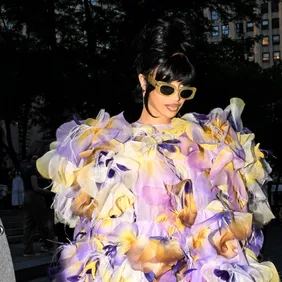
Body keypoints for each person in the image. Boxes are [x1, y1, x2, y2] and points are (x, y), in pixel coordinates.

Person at [36, 17, 279, 281]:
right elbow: (101, 230)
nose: (176, 99)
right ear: (143, 82)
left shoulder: (204, 142)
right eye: (166, 88)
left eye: (183, 91)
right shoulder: (114, 147)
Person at [22, 154, 55, 256]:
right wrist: (50, 192)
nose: (35, 160)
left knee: (29, 225)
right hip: (34, 198)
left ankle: (28, 251)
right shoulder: (33, 172)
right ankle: (49, 247)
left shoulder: (26, 171)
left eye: (37, 158)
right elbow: (36, 188)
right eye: (33, 158)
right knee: (42, 223)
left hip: (27, 197)